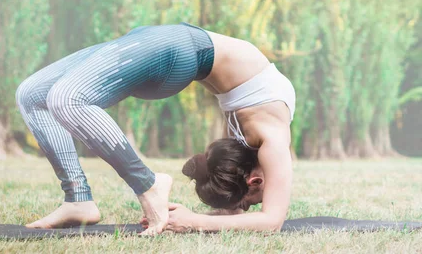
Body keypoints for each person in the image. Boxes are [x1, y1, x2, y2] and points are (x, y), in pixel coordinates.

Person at [16, 22, 295, 234]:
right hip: (174, 46)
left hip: (175, 49)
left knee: (65, 99)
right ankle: (97, 194)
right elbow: (272, 220)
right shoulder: (273, 141)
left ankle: (115, 190)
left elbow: (246, 212)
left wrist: (197, 219)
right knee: (31, 94)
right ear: (254, 181)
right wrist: (198, 220)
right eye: (250, 203)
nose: (248, 207)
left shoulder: (246, 145)